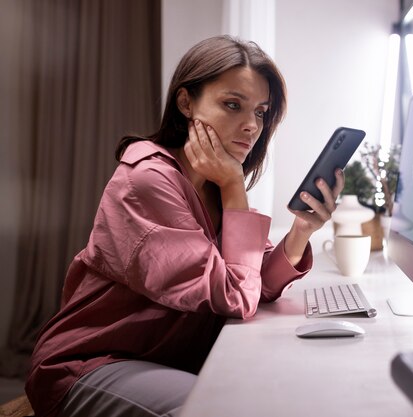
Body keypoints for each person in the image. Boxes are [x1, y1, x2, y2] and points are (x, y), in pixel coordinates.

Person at [25, 35, 344, 417]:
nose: (250, 126)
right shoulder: (146, 182)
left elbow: (256, 283)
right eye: (232, 105)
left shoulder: (213, 184)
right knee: (228, 409)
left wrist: (302, 230)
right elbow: (238, 296)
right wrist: (232, 186)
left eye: (260, 112)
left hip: (165, 362)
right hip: (92, 365)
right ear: (185, 102)